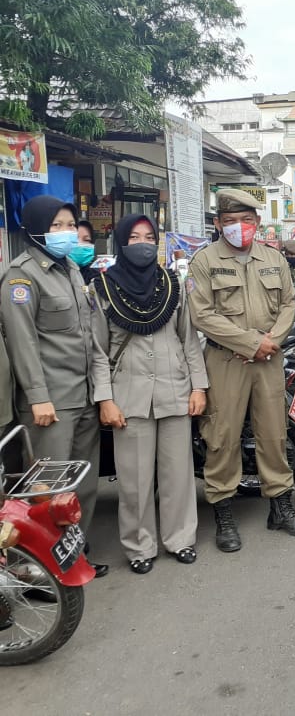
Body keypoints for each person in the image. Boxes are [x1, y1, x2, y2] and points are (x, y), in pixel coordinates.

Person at [187, 188, 295, 551]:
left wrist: (270, 340)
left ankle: (281, 507)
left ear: (257, 223)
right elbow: (202, 314)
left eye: (245, 221)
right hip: (227, 361)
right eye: (229, 221)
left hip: (269, 359)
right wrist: (250, 343)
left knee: (274, 433)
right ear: (217, 224)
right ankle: (224, 514)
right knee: (222, 436)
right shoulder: (205, 261)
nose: (238, 227)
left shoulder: (273, 258)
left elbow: (288, 303)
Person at [90, 214, 207, 574]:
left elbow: (188, 339)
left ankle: (180, 539)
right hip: (129, 396)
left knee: (178, 475)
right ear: (120, 243)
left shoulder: (172, 284)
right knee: (135, 480)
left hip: (175, 390)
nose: (142, 244)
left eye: (148, 237)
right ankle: (139, 545)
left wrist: (199, 386)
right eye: (134, 237)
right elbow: (97, 350)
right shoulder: (102, 288)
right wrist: (105, 398)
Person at [0, 195, 106, 576]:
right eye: (57, 226)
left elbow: (87, 332)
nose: (66, 233)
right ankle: (36, 568)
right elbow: (22, 342)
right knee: (48, 488)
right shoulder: (21, 275)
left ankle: (73, 556)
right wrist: (39, 398)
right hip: (51, 403)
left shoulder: (70, 269)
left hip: (83, 396)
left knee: (83, 485)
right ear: (34, 229)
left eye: (69, 225)